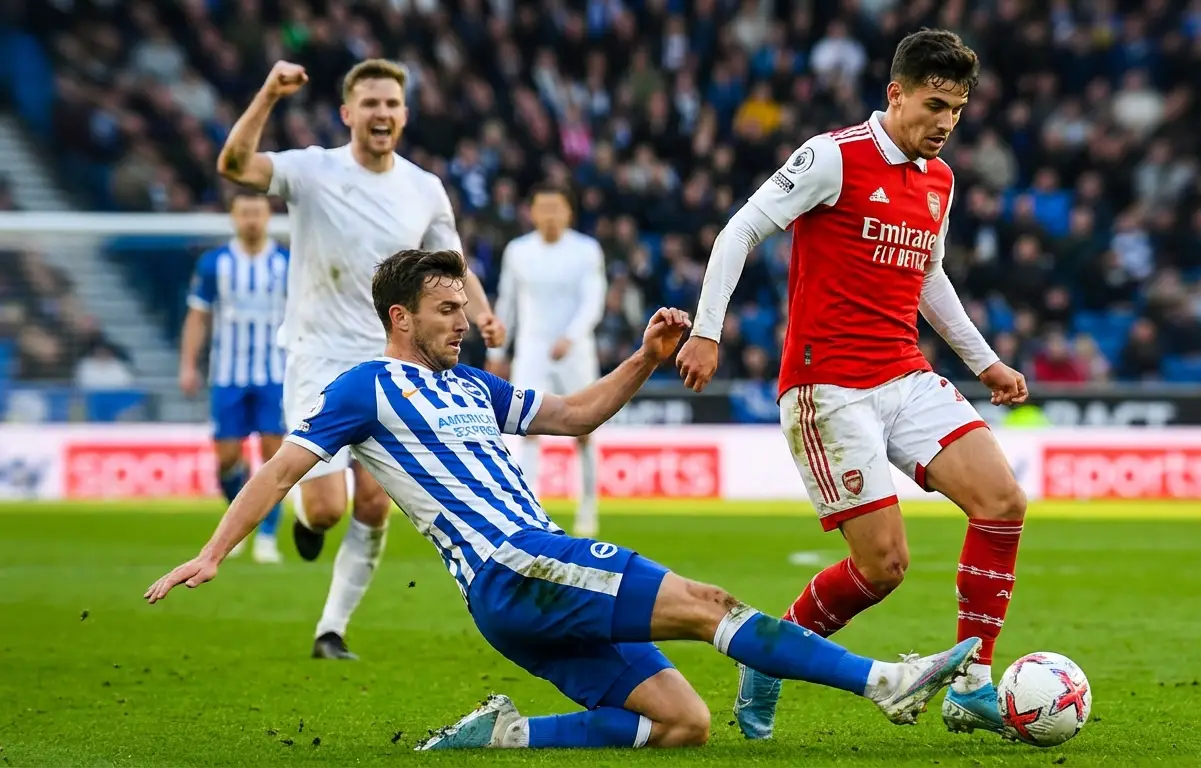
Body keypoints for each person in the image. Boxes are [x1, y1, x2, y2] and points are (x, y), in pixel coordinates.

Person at [144, 248, 982, 751]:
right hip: (517, 565)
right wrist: (213, 551)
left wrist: (644, 358)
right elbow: (283, 469)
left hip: (521, 591)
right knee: (709, 605)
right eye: (445, 311)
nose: (461, 323)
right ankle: (881, 681)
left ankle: (504, 734)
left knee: (682, 724)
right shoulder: (366, 386)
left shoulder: (472, 385)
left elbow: (576, 415)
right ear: (400, 317)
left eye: (461, 310)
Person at [676, 28, 1029, 740]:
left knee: (1002, 502)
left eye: (958, 111)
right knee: (884, 566)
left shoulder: (941, 180)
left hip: (905, 372)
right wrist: (707, 329)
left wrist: (984, 360)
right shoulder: (832, 157)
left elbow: (928, 277)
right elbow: (738, 231)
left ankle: (973, 683)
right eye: (935, 105)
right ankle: (769, 659)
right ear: (895, 93)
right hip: (827, 387)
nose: (946, 124)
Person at [215, 58, 507, 660]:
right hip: (318, 356)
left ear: (404, 114)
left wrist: (480, 312)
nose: (382, 114)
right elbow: (234, 165)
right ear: (348, 113)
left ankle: (331, 630)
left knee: (375, 502)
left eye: (392, 104)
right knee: (326, 511)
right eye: (370, 104)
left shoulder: (423, 186)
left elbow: (451, 264)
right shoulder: (313, 170)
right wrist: (268, 91)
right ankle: (306, 517)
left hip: (388, 361)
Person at [486, 182, 607, 537]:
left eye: (557, 208)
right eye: (543, 208)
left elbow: (593, 300)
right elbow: (507, 302)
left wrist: (572, 335)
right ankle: (531, 506)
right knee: (528, 429)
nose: (550, 216)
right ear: (532, 212)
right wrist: (497, 351)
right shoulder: (518, 251)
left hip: (575, 351)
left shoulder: (586, 250)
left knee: (585, 428)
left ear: (569, 212)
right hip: (532, 352)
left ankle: (588, 507)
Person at [179, 192, 290, 565]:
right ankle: (240, 519)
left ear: (267, 216)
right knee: (227, 458)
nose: (252, 220)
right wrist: (188, 364)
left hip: (275, 374)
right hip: (228, 375)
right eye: (245, 213)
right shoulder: (215, 264)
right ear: (233, 217)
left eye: (258, 212)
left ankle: (268, 537)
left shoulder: (287, 263)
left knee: (275, 457)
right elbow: (197, 316)